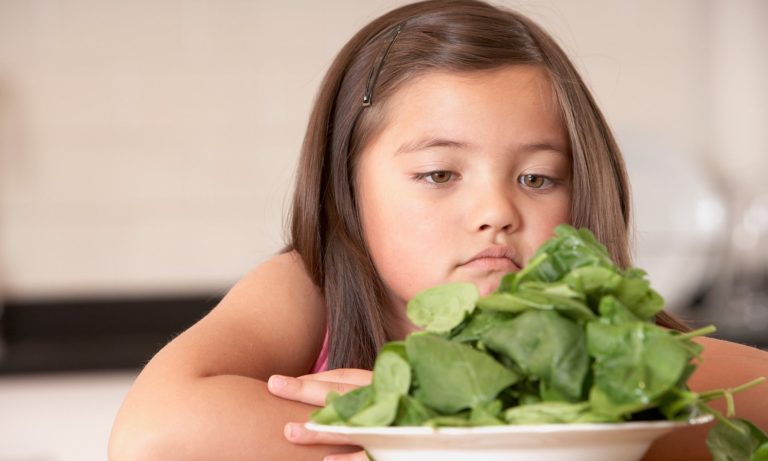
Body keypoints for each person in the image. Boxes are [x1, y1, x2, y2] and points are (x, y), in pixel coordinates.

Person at [108, 1, 768, 460]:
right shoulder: (309, 285)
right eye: (438, 174)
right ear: (349, 187)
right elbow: (154, 437)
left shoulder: (603, 346)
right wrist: (423, 421)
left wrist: (422, 425)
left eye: (538, 178)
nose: (497, 211)